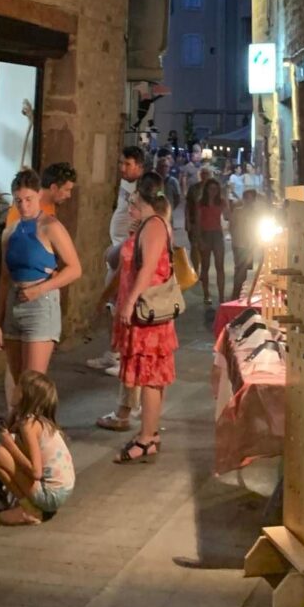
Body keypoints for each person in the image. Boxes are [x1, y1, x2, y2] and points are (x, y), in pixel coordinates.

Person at [0, 163, 81, 393]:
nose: (24, 205)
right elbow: (3, 278)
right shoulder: (10, 231)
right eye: (18, 200)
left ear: (39, 195)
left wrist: (40, 290)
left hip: (40, 305)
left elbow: (74, 269)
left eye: (29, 199)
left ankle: (35, 426)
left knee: (33, 383)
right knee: (17, 379)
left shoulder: (51, 226)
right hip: (14, 303)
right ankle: (17, 426)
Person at [112, 172, 179, 463]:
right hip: (148, 312)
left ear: (143, 195)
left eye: (134, 196)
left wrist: (127, 304)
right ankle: (150, 432)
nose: (131, 200)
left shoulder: (153, 226)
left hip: (147, 312)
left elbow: (148, 268)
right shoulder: (151, 224)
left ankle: (146, 438)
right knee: (153, 375)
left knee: (149, 376)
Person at [0, 368, 75, 525]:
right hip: (63, 490)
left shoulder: (29, 425)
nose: (13, 390)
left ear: (24, 394)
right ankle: (33, 505)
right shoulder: (37, 421)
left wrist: (9, 444)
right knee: (10, 447)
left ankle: (30, 509)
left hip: (52, 494)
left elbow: (36, 472)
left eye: (17, 387)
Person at [88, 144, 145, 376]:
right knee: (114, 308)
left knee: (123, 307)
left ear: (139, 167)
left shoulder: (144, 190)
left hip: (127, 253)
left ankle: (124, 357)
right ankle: (113, 353)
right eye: (121, 163)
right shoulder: (124, 185)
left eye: (127, 164)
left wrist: (124, 245)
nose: (122, 168)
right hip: (118, 248)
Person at [196, 177, 229, 308]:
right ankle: (206, 294)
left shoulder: (221, 202)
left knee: (219, 266)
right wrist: (199, 239)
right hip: (205, 234)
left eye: (215, 189)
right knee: (205, 266)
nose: (213, 191)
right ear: (206, 190)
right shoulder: (201, 203)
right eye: (211, 189)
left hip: (217, 234)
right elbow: (198, 222)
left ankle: (221, 295)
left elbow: (227, 216)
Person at [230, 187, 262, 300]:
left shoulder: (256, 213)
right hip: (240, 244)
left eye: (251, 199)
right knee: (240, 269)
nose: (249, 201)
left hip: (250, 245)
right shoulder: (238, 211)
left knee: (244, 270)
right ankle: (236, 293)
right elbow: (232, 227)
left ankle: (239, 293)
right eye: (247, 198)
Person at [184, 164, 212, 275]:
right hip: (194, 222)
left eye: (207, 174)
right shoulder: (194, 189)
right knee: (194, 247)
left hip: (208, 224)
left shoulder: (213, 190)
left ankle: (204, 271)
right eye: (203, 174)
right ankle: (196, 270)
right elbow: (188, 205)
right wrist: (187, 222)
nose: (204, 176)